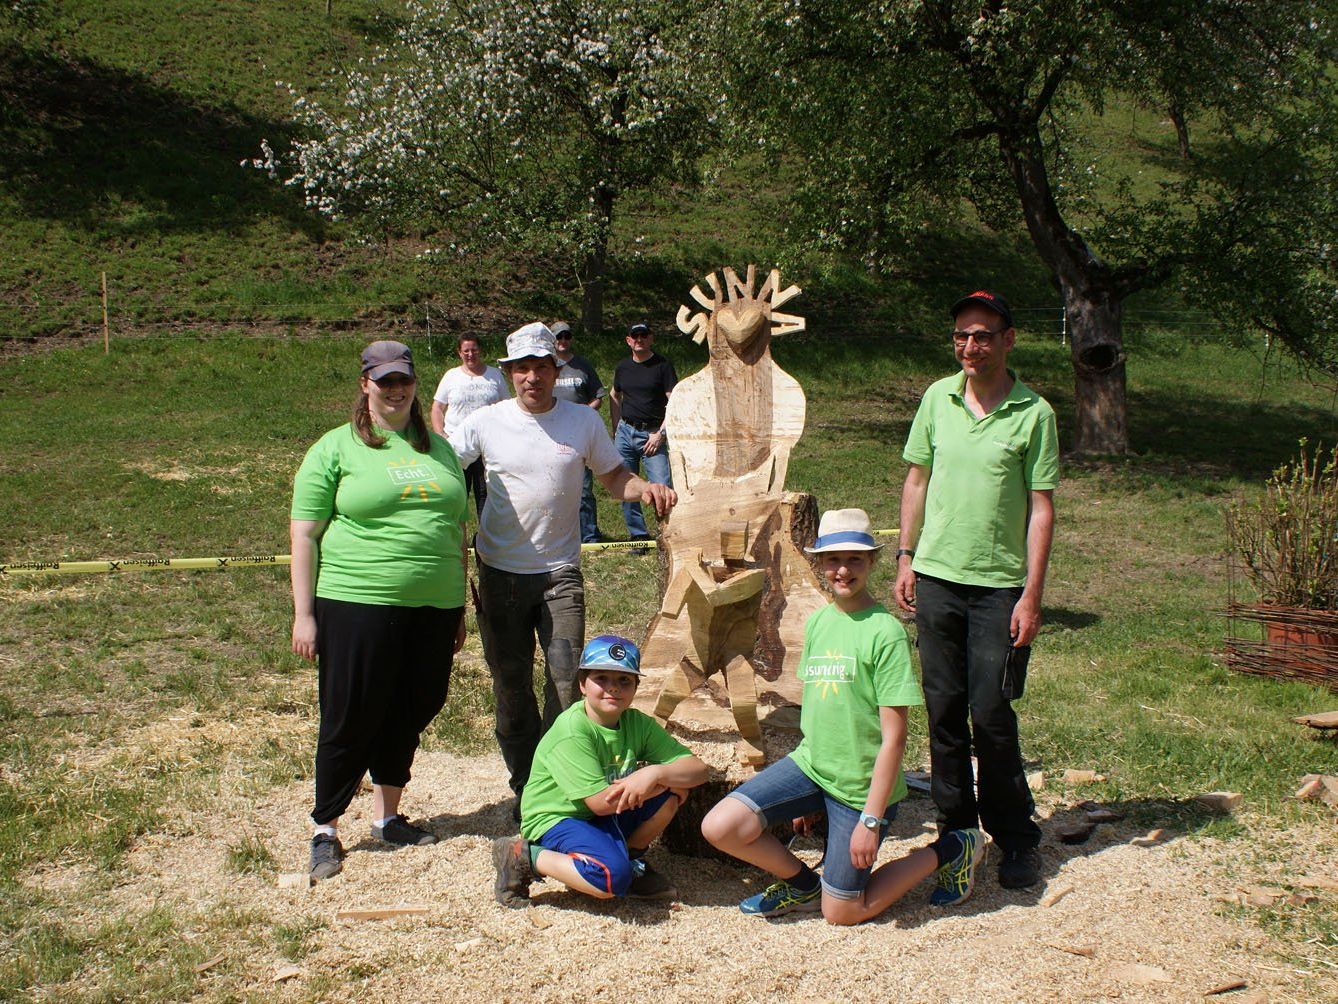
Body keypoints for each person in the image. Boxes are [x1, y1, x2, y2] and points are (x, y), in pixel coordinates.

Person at [701, 509, 984, 922]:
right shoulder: (818, 622)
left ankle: (953, 848)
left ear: (871, 562)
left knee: (844, 912)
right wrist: (801, 796)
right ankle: (802, 885)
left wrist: (870, 819)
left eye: (854, 559)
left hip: (860, 788)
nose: (843, 570)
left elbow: (894, 739)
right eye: (833, 559)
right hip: (813, 767)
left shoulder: (885, 632)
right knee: (720, 826)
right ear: (819, 564)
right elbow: (817, 712)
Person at [449, 322, 678, 806]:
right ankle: (526, 787)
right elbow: (444, 469)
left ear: (557, 370)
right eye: (522, 368)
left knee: (565, 685)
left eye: (541, 366)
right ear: (510, 373)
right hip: (499, 576)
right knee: (512, 692)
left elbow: (615, 476)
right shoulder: (486, 421)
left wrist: (647, 488)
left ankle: (558, 786)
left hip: (560, 574)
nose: (532, 377)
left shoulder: (583, 422)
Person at [894, 289, 1059, 894]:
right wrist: (907, 556)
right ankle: (956, 831)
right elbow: (917, 479)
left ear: (1007, 340)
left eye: (983, 335)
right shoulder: (937, 397)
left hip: (997, 588)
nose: (970, 346)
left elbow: (1041, 510)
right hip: (936, 579)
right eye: (962, 335)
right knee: (942, 711)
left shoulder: (1033, 413)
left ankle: (1015, 839)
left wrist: (1031, 596)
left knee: (991, 714)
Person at [290, 340, 468, 882]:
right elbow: (304, 534)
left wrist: (459, 605)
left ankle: (388, 817)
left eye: (404, 380)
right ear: (365, 383)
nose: (396, 390)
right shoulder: (334, 448)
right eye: (384, 380)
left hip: (435, 605)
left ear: (416, 384)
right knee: (350, 711)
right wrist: (304, 614)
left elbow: (455, 528)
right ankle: (326, 826)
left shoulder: (439, 448)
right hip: (356, 600)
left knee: (416, 704)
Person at [492, 635, 709, 907]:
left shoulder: (637, 724)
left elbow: (699, 770)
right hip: (559, 817)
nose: (613, 688)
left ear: (635, 688)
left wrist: (654, 775)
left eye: (623, 681)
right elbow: (598, 804)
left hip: (602, 811)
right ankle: (524, 856)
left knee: (671, 794)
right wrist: (659, 779)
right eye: (601, 679)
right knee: (610, 881)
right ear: (583, 684)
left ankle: (630, 862)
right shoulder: (573, 730)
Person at [609, 321, 676, 541]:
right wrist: (617, 426)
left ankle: (667, 534)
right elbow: (614, 395)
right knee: (626, 486)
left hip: (653, 435)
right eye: (634, 336)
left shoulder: (663, 366)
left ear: (651, 338)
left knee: (663, 486)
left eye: (643, 336)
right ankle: (638, 536)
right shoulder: (622, 367)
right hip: (625, 433)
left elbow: (675, 402)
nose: (639, 340)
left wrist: (661, 435)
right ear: (628, 340)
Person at [430, 334, 509, 518]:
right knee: (457, 492)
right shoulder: (451, 376)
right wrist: (441, 435)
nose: (470, 354)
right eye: (466, 351)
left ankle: (484, 539)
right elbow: (437, 408)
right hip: (456, 446)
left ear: (480, 350)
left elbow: (506, 407)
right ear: (459, 352)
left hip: (487, 446)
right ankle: (456, 537)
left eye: (474, 350)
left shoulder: (494, 375)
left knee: (486, 494)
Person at [550, 320, 607, 544]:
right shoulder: (548, 366)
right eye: (558, 337)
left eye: (566, 336)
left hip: (579, 435)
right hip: (552, 433)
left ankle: (590, 536)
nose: (563, 341)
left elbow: (598, 397)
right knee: (553, 488)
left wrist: (584, 411)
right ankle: (558, 534)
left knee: (583, 489)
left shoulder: (582, 365)